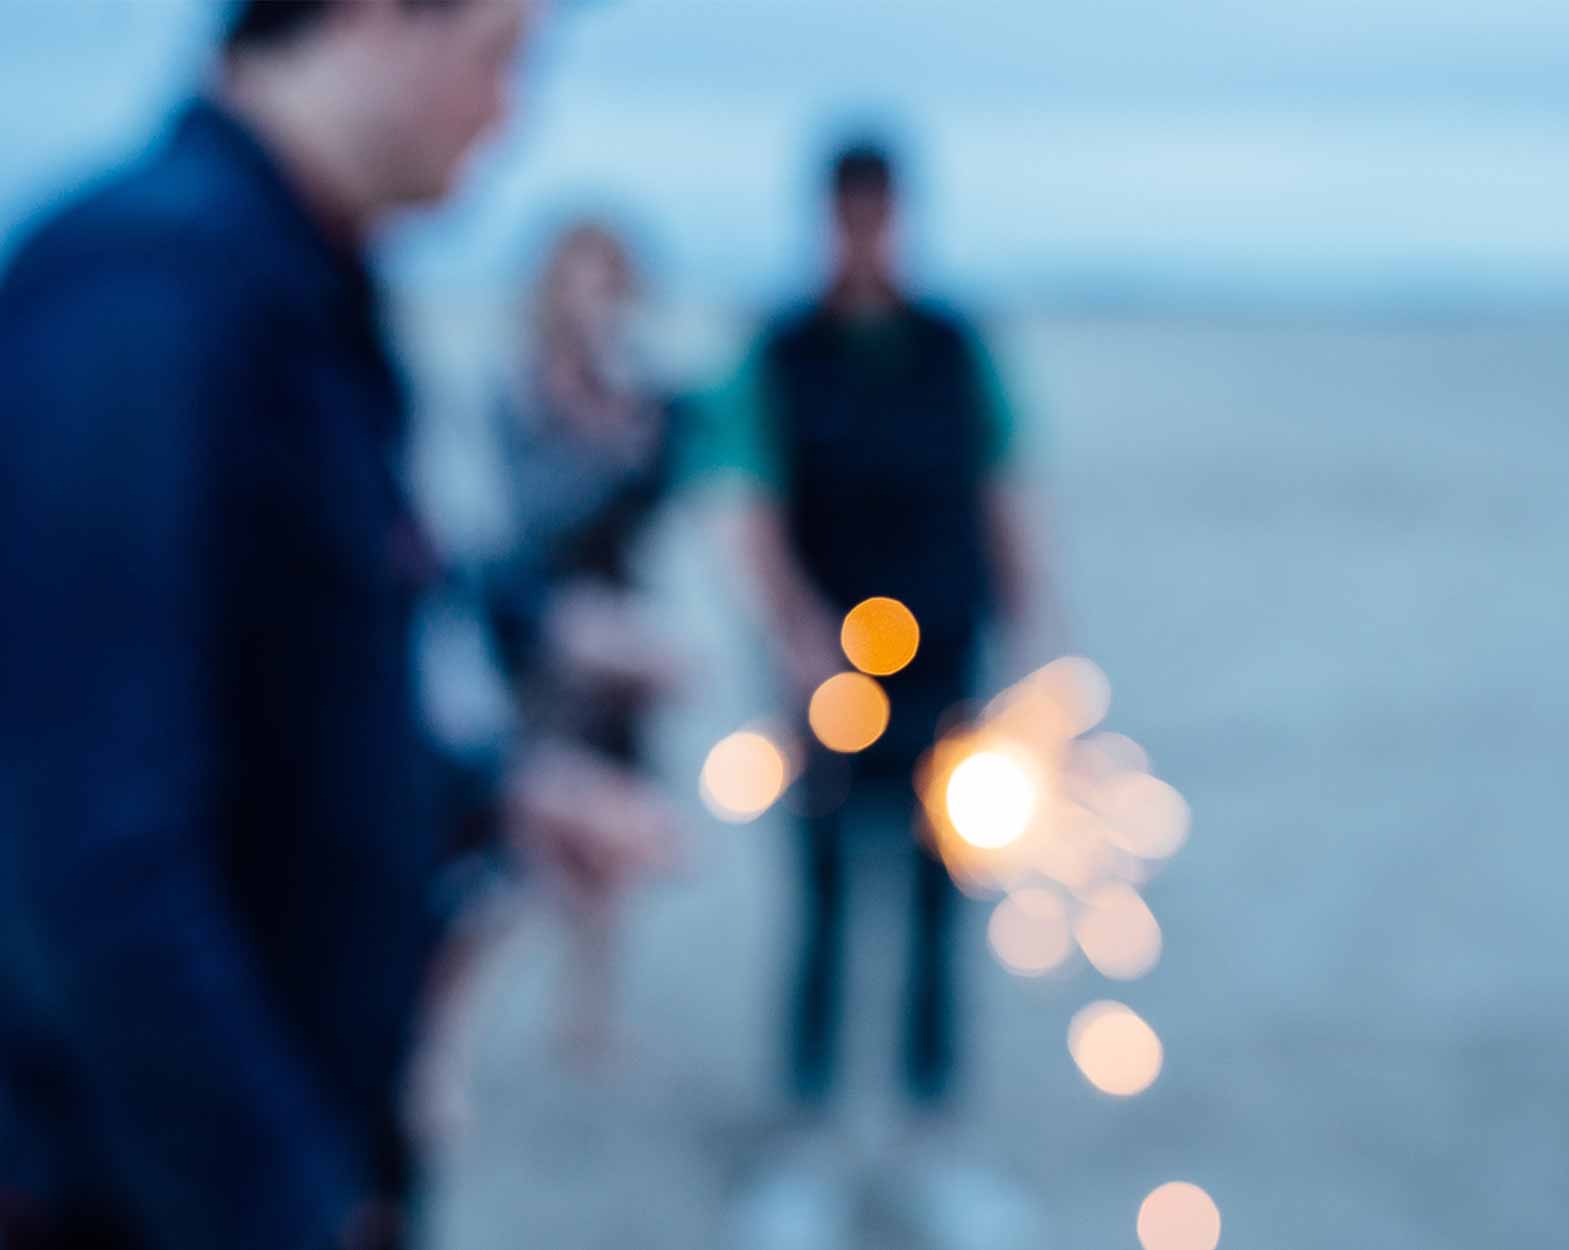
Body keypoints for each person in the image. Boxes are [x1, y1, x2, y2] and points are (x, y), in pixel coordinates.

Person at [0, 4, 662, 1248]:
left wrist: (486, 797)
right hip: (138, 1194)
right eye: (498, 56)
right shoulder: (143, 295)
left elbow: (293, 701)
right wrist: (285, 1202)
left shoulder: (314, 301)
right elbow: (87, 840)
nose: (509, 111)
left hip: (316, 1131)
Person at [710, 140, 1041, 1250]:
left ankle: (928, 1134)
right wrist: (796, 629)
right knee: (823, 899)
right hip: (823, 677)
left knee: (942, 903)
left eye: (879, 215)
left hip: (950, 660)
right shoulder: (782, 348)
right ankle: (804, 1144)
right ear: (825, 219)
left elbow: (1004, 480)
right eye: (847, 216)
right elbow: (749, 498)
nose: (863, 235)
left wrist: (1033, 632)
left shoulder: (954, 344)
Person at [479, 221, 686, 1058]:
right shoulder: (521, 394)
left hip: (624, 636)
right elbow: (527, 512)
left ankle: (587, 1014)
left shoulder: (633, 394)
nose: (592, 300)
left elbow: (663, 500)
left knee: (616, 816)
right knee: (520, 818)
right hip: (536, 635)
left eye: (608, 282)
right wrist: (612, 453)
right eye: (578, 279)